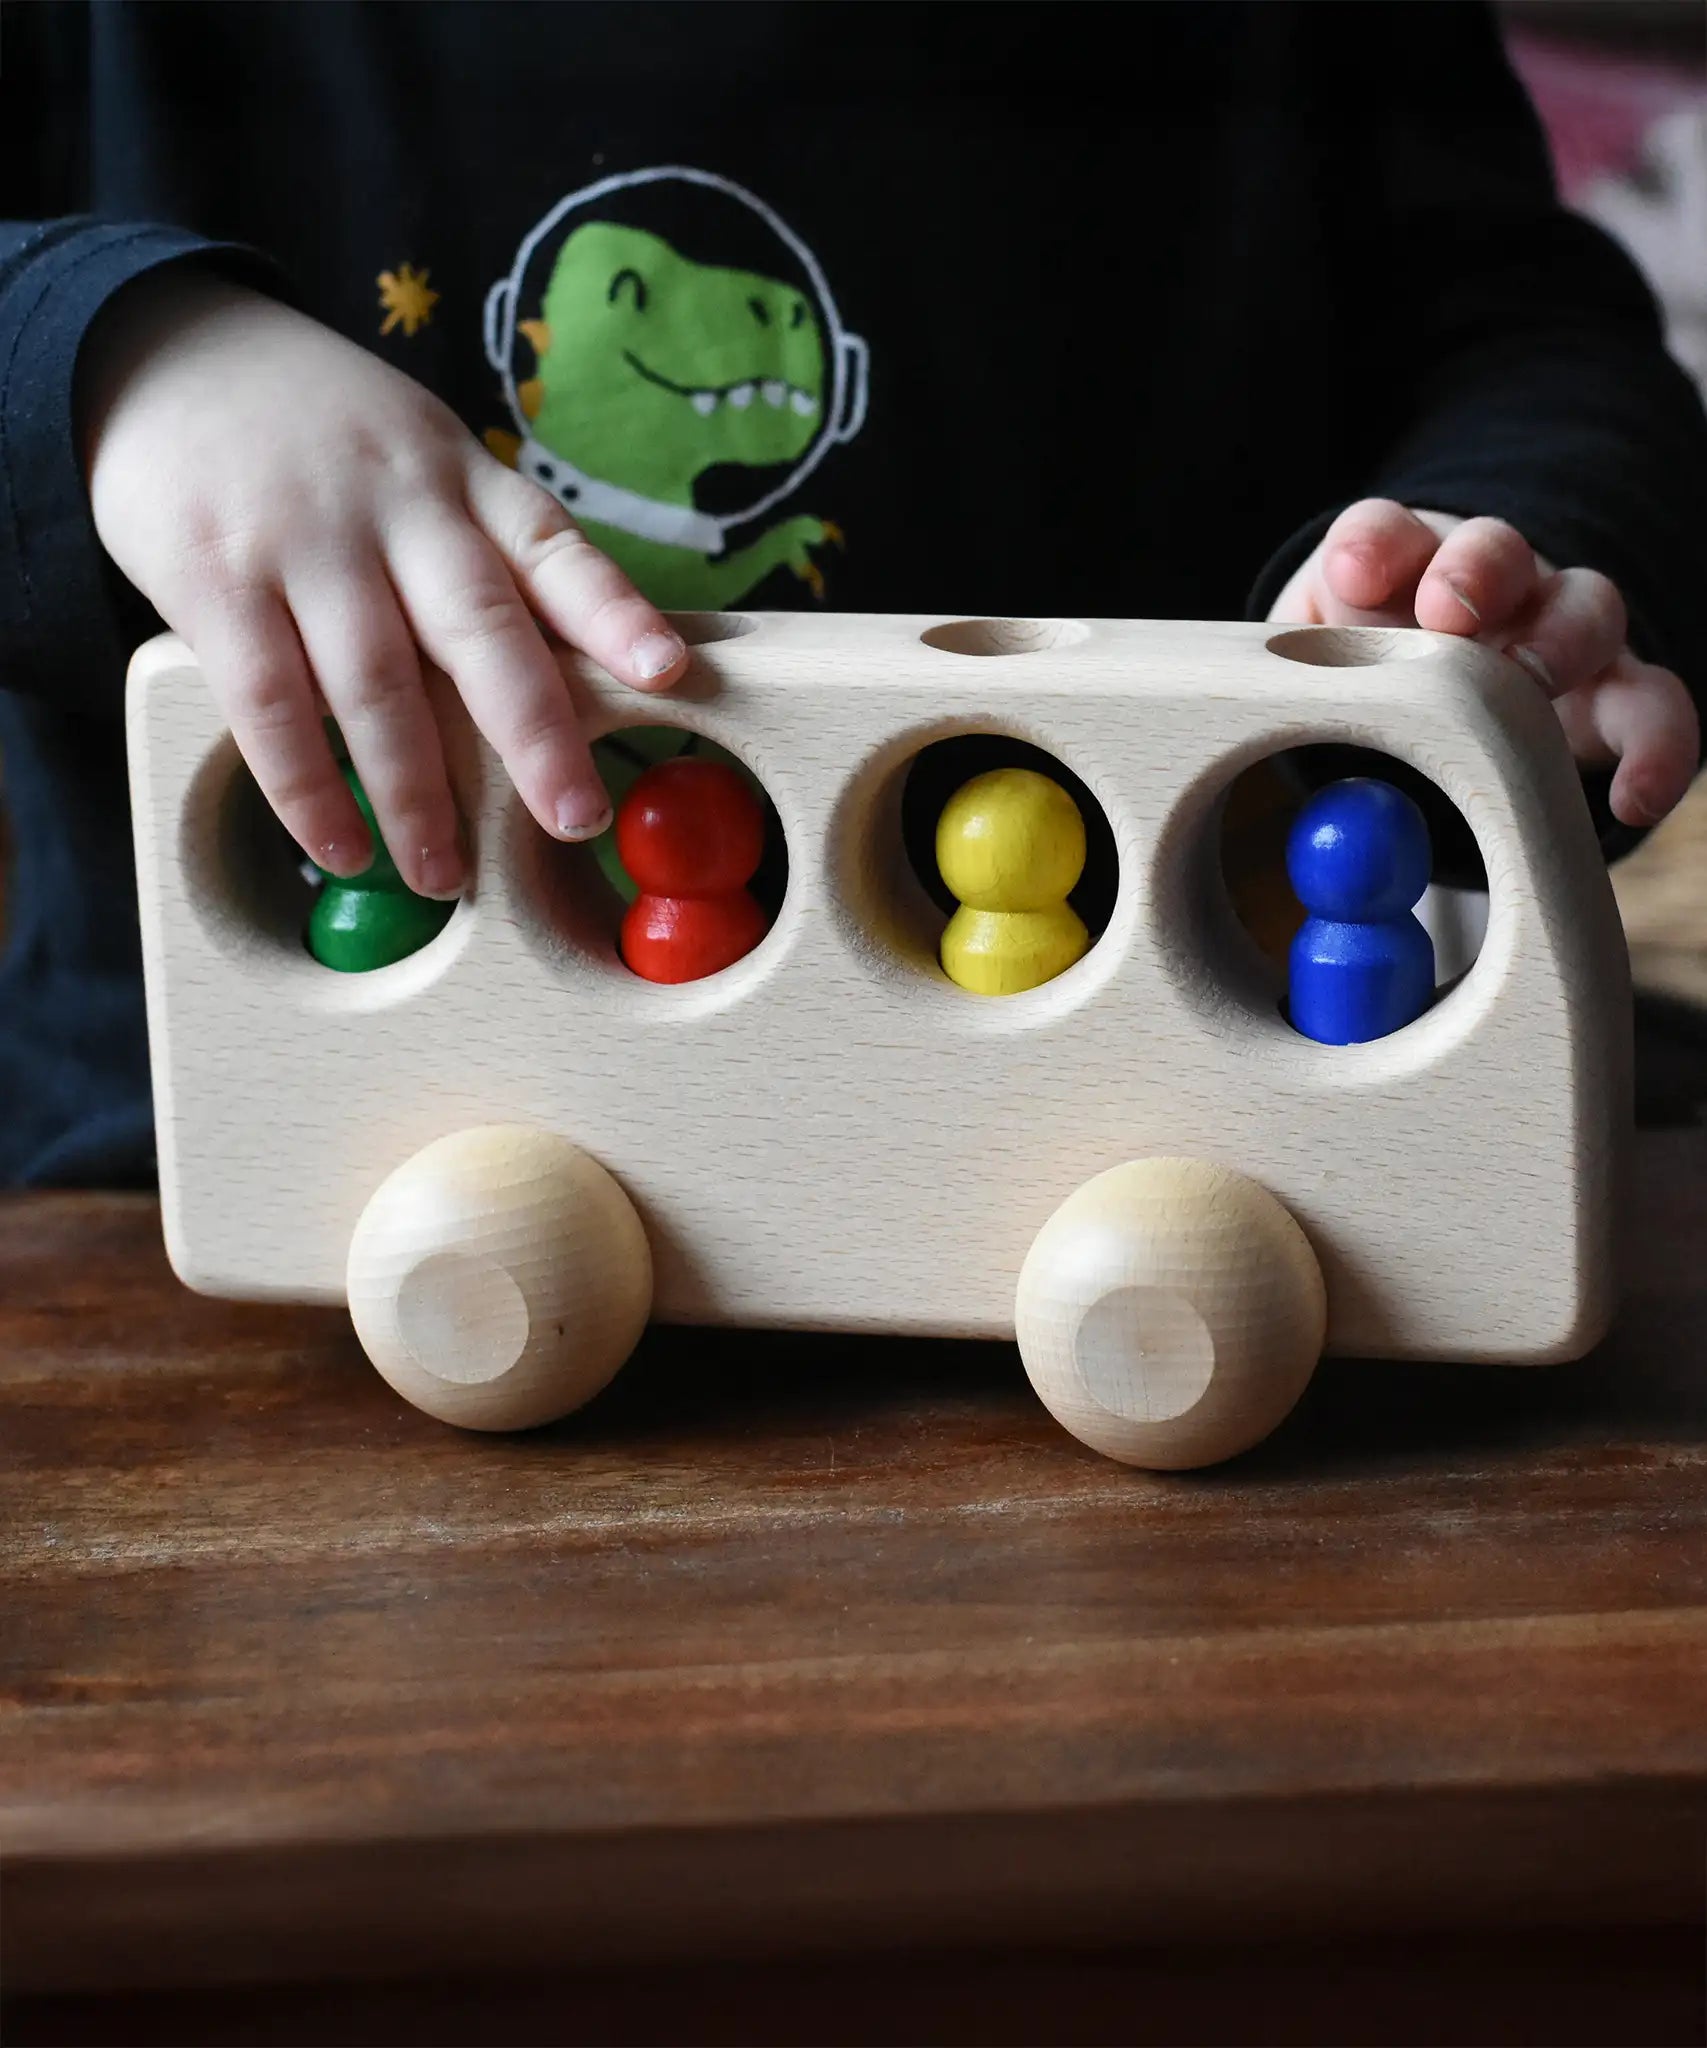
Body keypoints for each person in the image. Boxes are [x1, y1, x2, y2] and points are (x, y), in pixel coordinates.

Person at [3, 1, 1704, 1186]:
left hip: (1193, 1097)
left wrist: (1505, 556)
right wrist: (109, 367)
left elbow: (1520, 322)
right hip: (221, 1161)